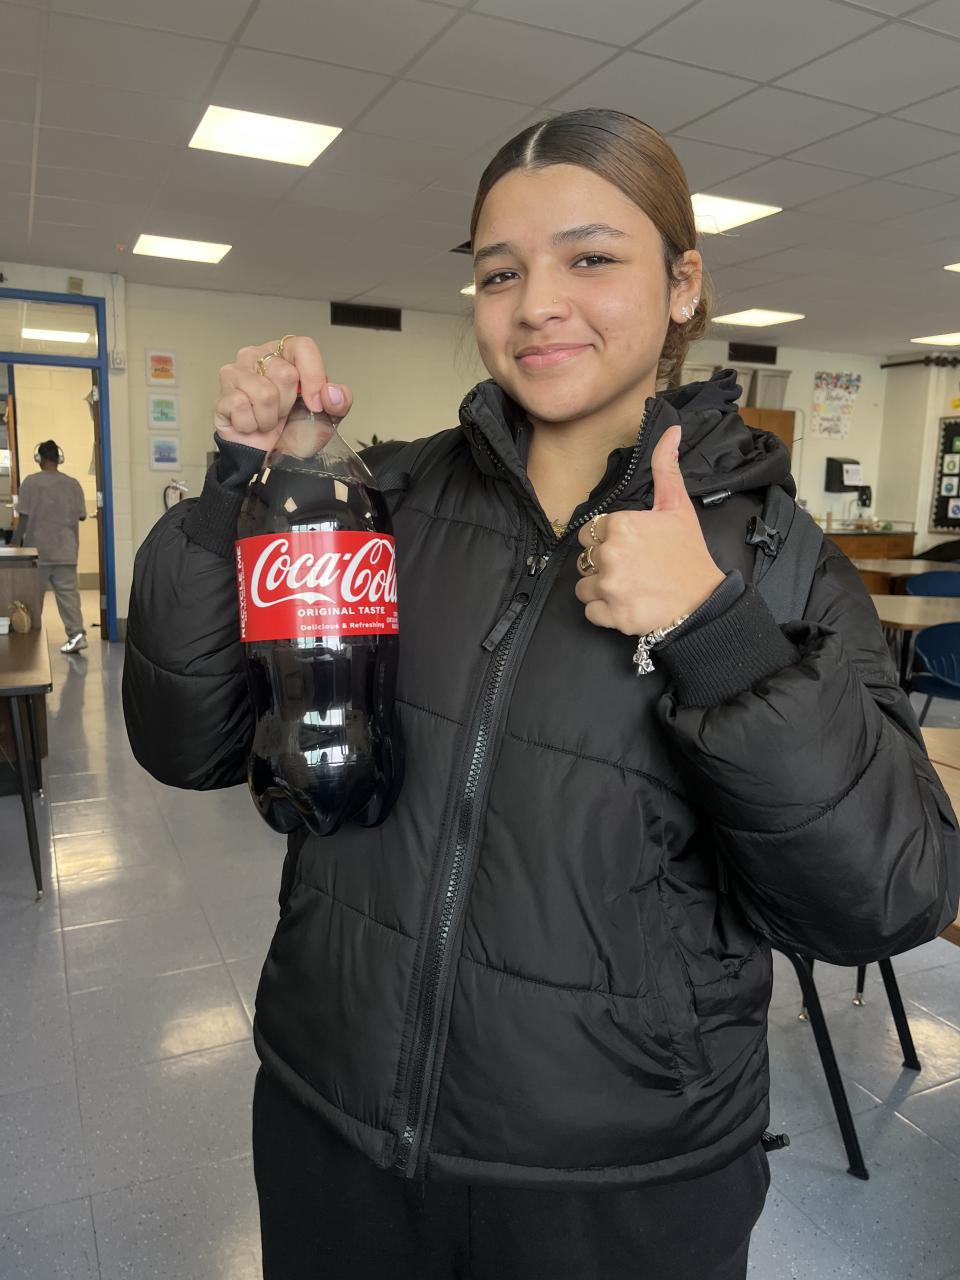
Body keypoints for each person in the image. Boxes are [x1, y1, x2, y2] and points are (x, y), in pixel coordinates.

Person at [122, 110, 960, 1280]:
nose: (535, 304)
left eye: (591, 257)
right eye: (500, 271)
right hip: (336, 1125)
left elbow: (889, 896)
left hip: (619, 1184)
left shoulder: (777, 558)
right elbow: (193, 741)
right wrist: (252, 483)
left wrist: (713, 630)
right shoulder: (389, 502)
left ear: (683, 283)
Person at [16, 439, 88, 653]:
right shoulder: (73, 484)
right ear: (59, 458)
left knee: (31, 599)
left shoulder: (29, 483)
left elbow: (23, 519)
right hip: (65, 551)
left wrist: (14, 545)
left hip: (36, 553)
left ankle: (29, 642)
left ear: (38, 459)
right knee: (69, 598)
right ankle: (77, 636)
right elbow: (82, 515)